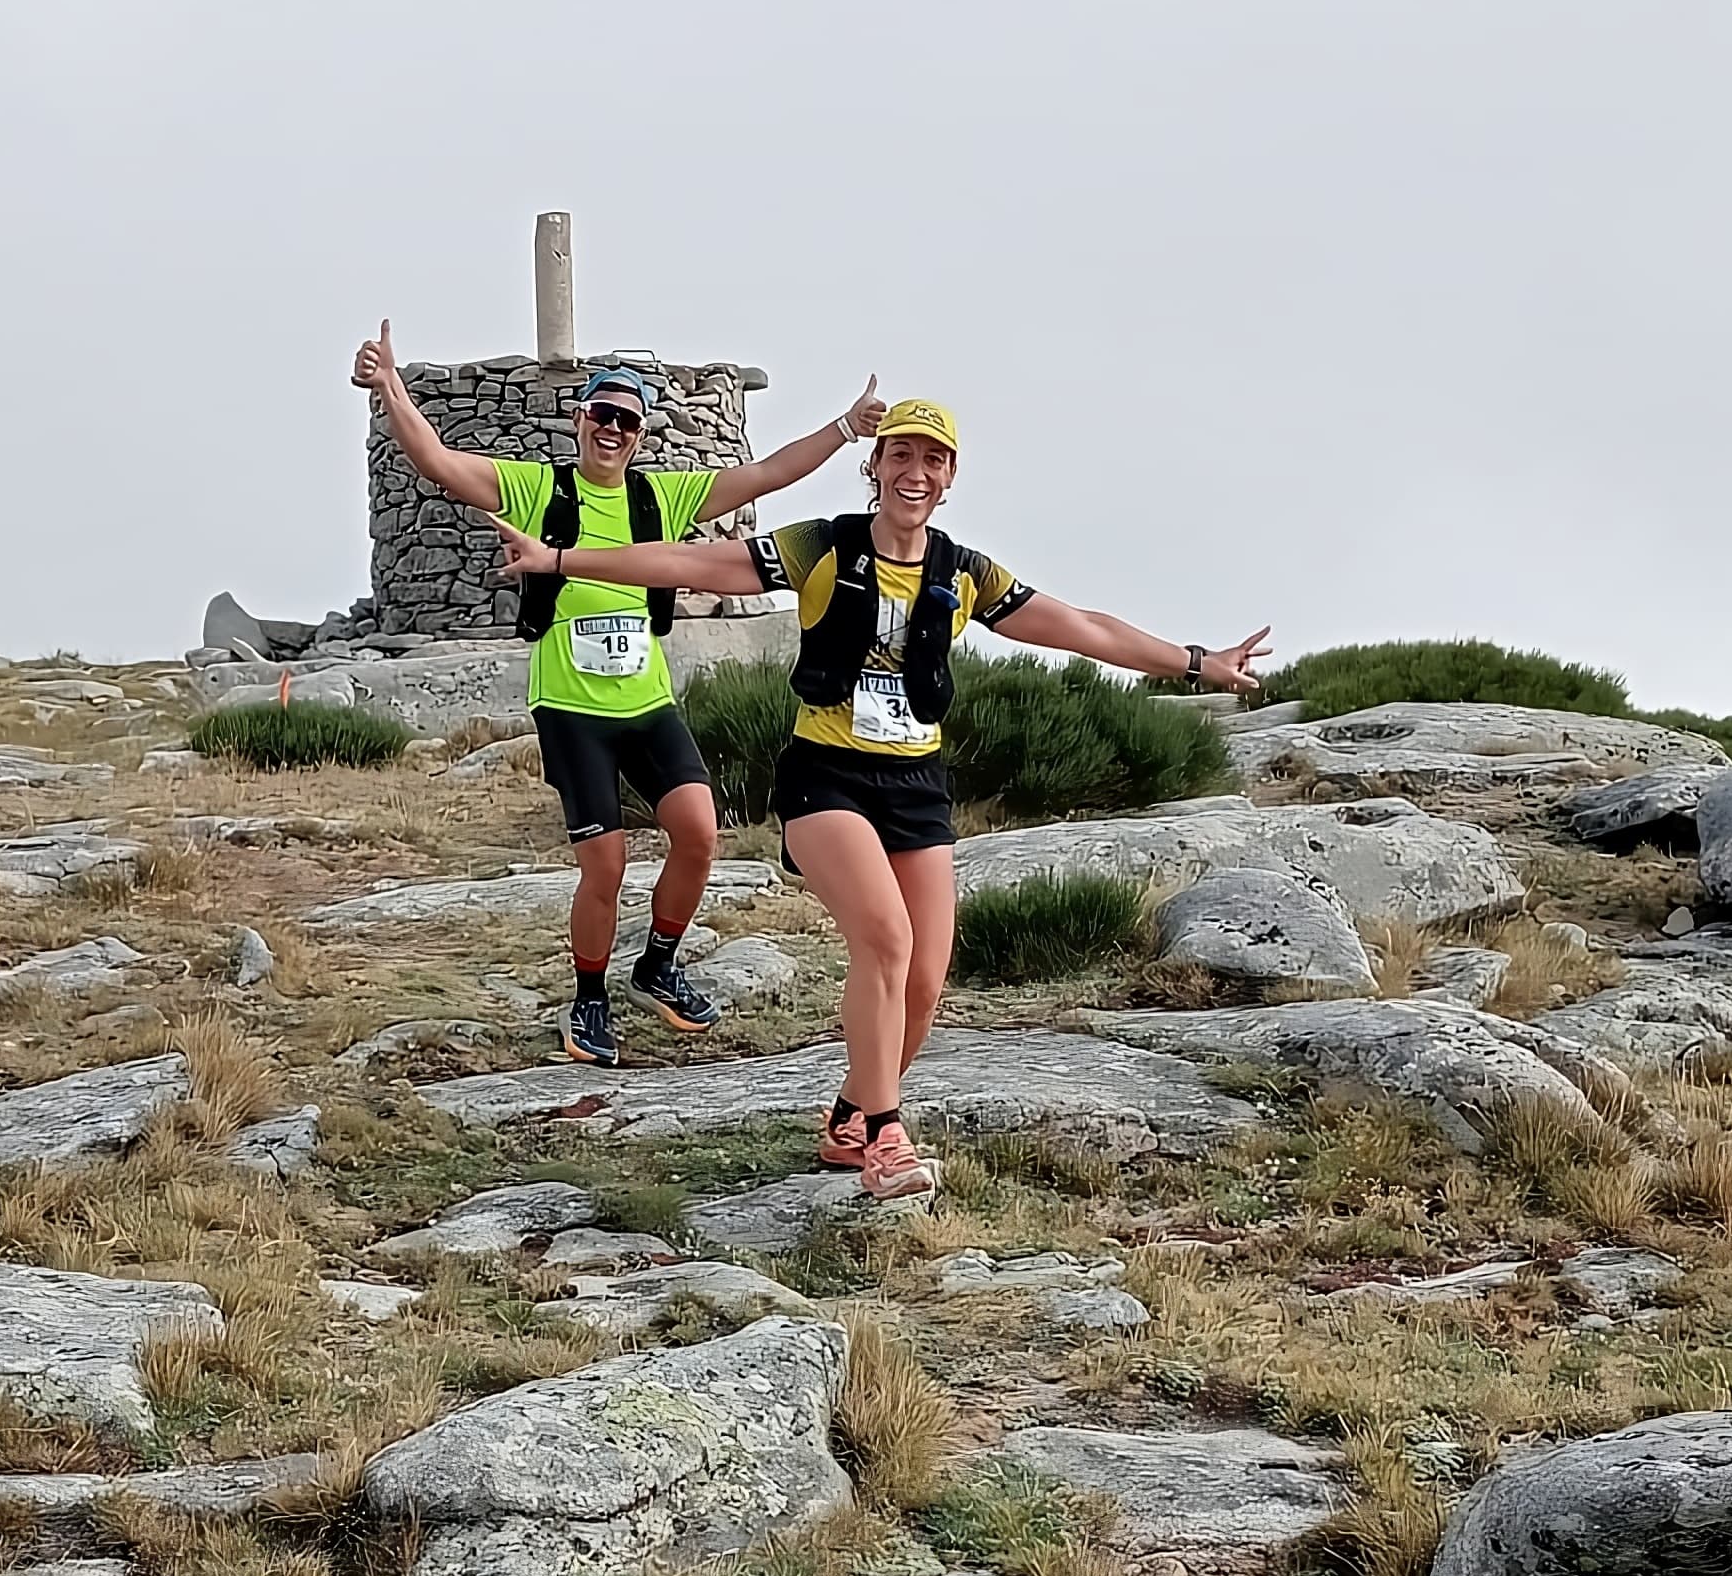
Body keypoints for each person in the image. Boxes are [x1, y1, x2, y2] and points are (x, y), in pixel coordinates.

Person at [490, 397, 1270, 1196]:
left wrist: (1195, 660)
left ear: (950, 477)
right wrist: (559, 563)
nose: (915, 472)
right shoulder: (823, 547)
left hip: (915, 784)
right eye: (901, 456)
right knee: (885, 942)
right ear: (877, 467)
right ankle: (886, 1138)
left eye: (932, 460)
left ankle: (848, 1117)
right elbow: (686, 565)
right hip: (825, 778)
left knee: (926, 981)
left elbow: (1082, 627)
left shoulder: (965, 573)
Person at [352, 323, 885, 1062]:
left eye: (627, 420)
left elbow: (764, 476)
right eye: (602, 415)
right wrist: (389, 388)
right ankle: (589, 999)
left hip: (646, 701)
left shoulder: (660, 501)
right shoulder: (540, 488)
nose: (612, 429)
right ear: (581, 421)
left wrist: (845, 429)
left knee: (700, 833)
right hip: (571, 707)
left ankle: (658, 967)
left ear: (639, 435)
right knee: (603, 866)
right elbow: (438, 462)